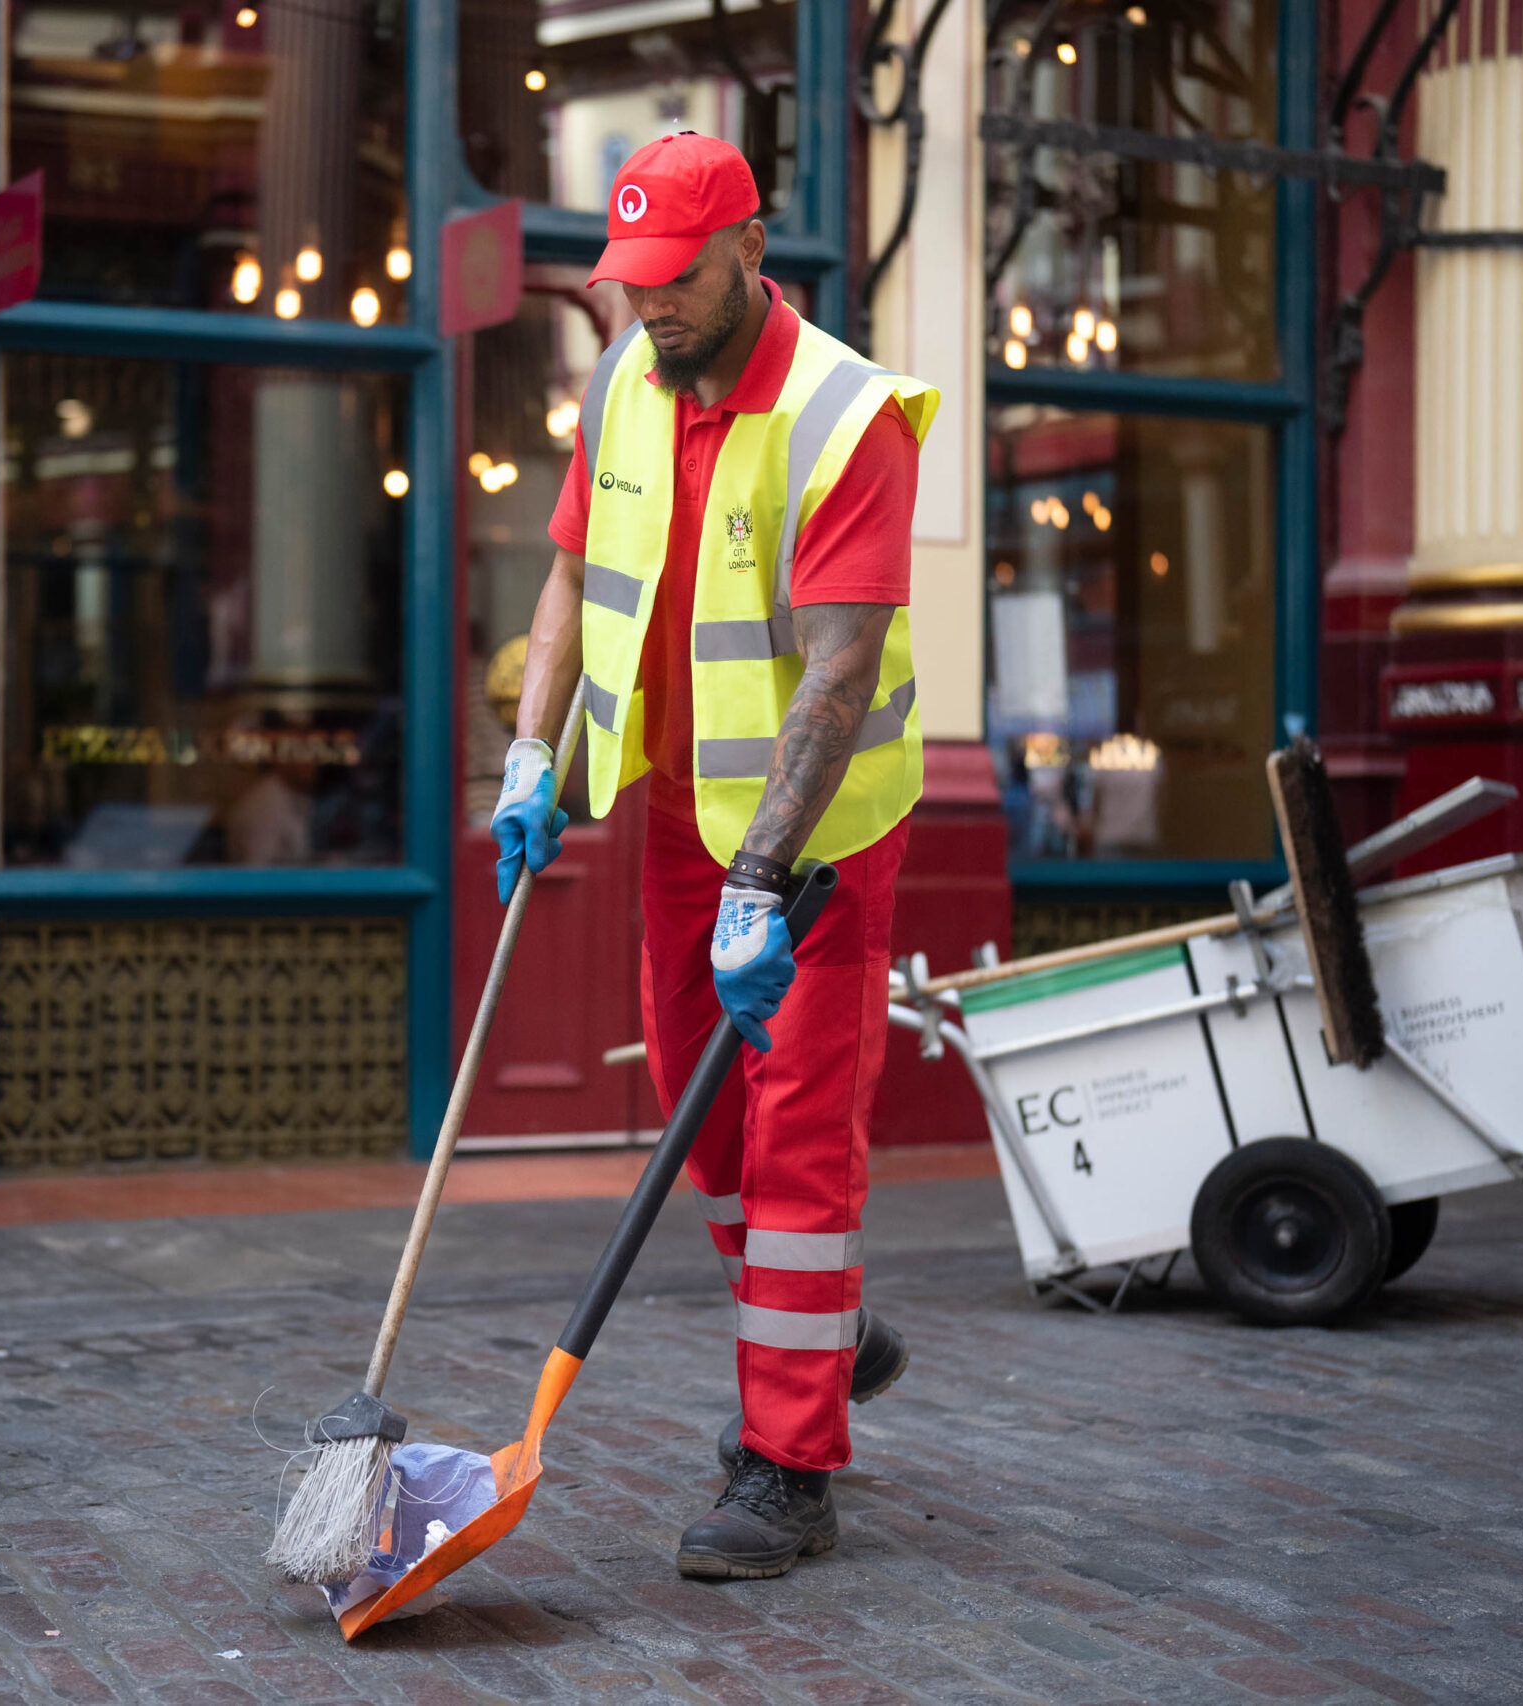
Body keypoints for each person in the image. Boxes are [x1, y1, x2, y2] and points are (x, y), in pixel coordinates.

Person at [492, 132, 938, 1581]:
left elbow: (842, 668)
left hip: (817, 843)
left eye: (676, 280)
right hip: (677, 810)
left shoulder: (844, 415)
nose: (650, 307)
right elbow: (570, 568)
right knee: (712, 1128)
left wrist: (764, 880)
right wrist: (531, 752)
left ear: (750, 250)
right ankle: (817, 1332)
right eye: (630, 283)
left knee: (799, 1128)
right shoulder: (627, 377)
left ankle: (789, 1462)